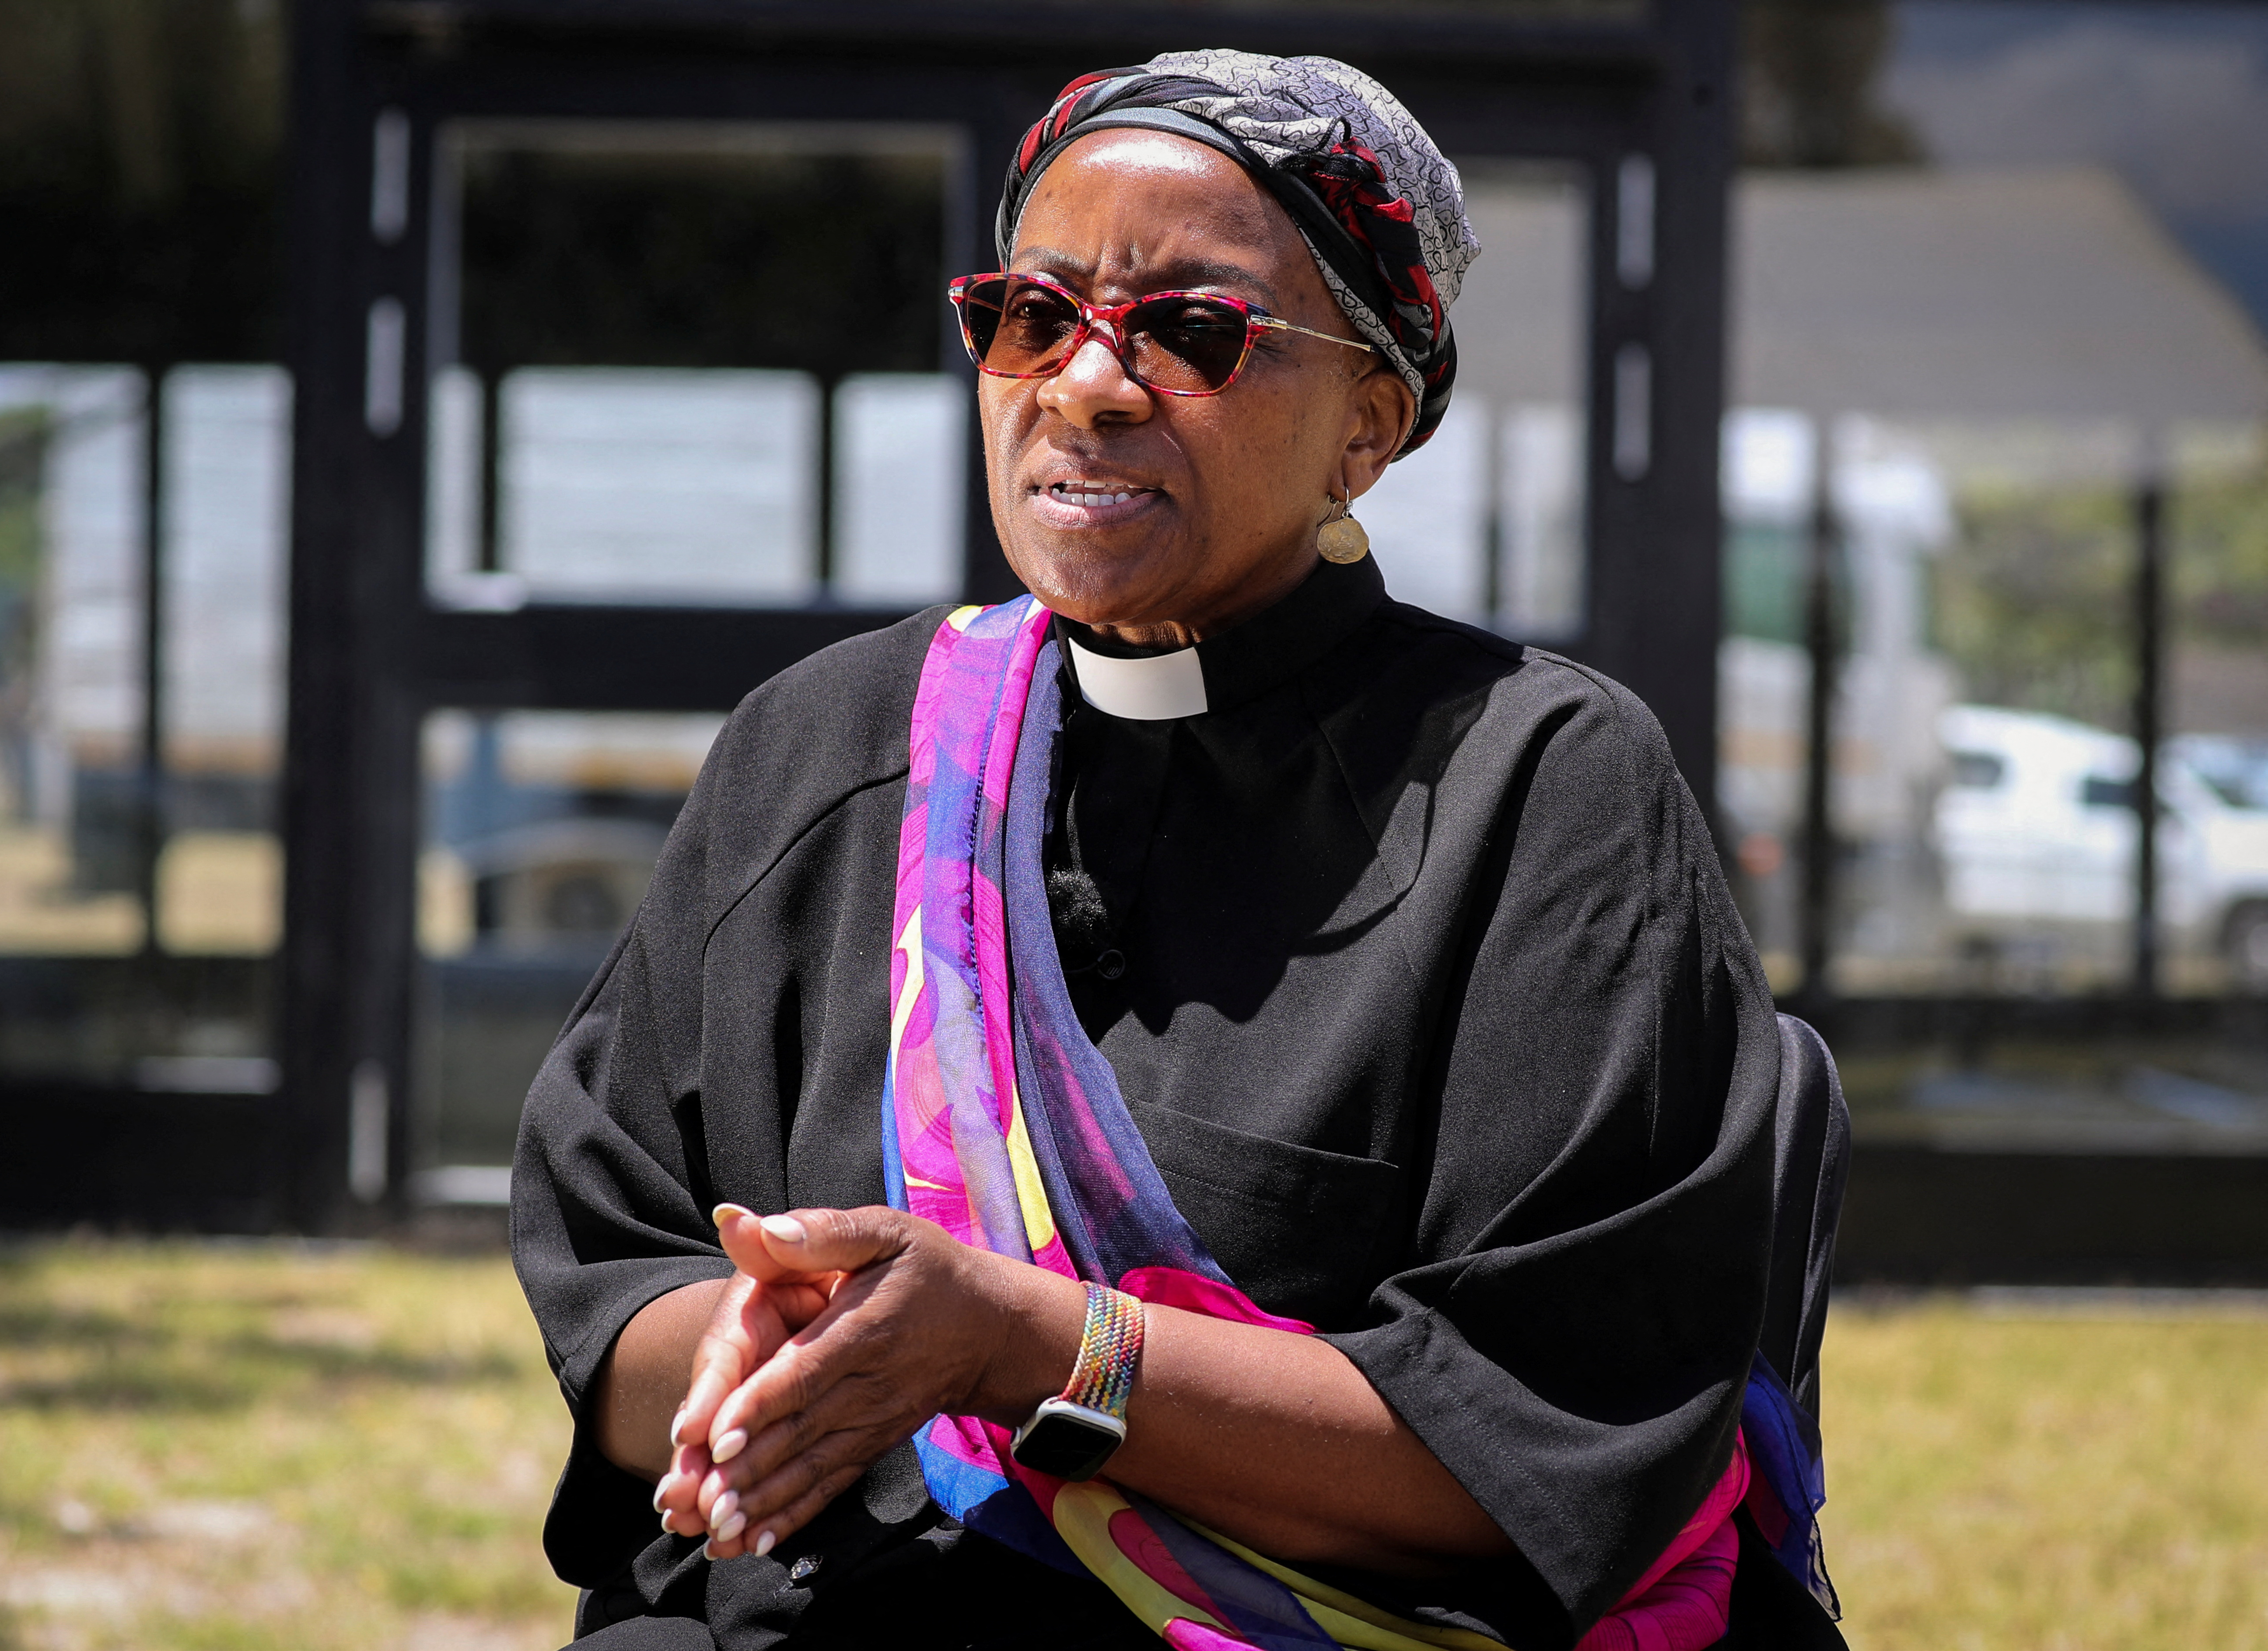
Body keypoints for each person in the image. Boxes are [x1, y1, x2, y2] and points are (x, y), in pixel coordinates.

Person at [511, 50, 1845, 1651]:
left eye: (1191, 332)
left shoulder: (1536, 790)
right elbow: (615, 1272)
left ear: (1369, 426)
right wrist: (769, 1348)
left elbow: (1533, 1451)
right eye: (1029, 315)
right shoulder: (822, 749)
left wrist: (1027, 1345)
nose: (1084, 385)